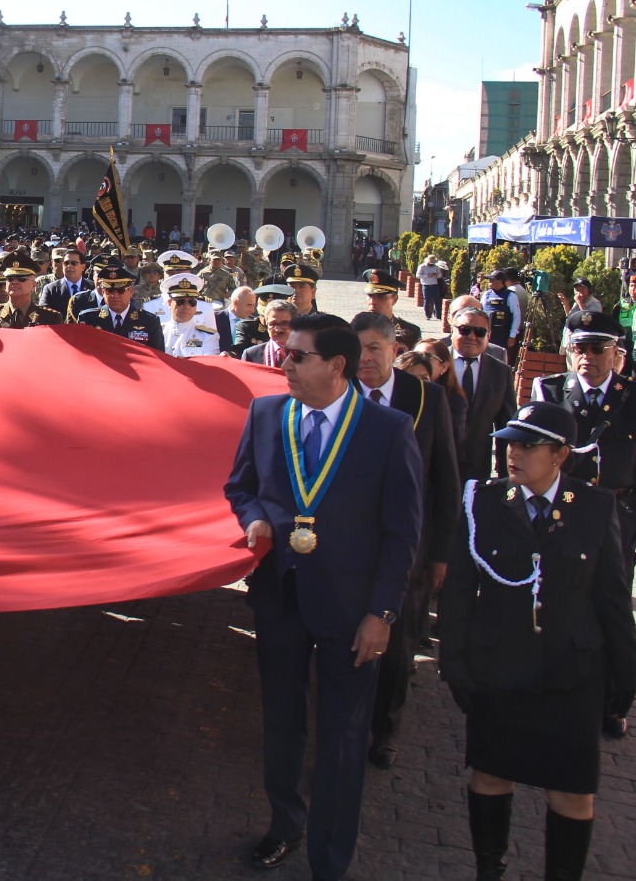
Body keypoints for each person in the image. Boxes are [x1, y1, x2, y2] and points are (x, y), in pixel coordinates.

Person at [225, 312, 423, 881]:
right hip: (282, 600)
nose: (283, 362)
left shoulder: (388, 431)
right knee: (283, 725)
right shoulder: (267, 413)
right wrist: (256, 516)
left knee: (342, 737)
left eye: (297, 355)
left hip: (353, 612)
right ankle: (284, 823)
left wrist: (383, 613)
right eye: (285, 353)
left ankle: (329, 859)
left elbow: (402, 531)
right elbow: (239, 485)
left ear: (337, 366)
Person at [437, 401, 636, 881]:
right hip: (500, 671)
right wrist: (455, 663)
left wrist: (624, 681)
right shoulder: (482, 501)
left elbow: (613, 598)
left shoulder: (594, 506)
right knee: (489, 776)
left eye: (529, 445)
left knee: (571, 793)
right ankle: (491, 869)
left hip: (571, 677)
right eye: (508, 443)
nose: (513, 453)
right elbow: (461, 592)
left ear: (561, 455)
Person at [350, 312, 461, 770]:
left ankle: (385, 729)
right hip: (353, 546)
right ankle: (350, 723)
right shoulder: (340, 395)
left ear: (395, 349)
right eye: (357, 350)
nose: (366, 359)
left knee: (397, 648)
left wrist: (439, 556)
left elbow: (446, 482)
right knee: (350, 640)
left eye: (375, 348)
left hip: (410, 549)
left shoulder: (427, 399)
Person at [532, 310, 636, 738]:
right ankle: (550, 686)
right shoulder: (550, 391)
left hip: (618, 516)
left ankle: (612, 699)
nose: (587, 357)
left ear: (617, 354)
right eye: (579, 348)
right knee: (556, 599)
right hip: (562, 513)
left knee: (610, 609)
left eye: (598, 349)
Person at [453, 307, 518, 483]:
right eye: (464, 330)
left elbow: (507, 428)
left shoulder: (501, 372)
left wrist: (506, 480)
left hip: (476, 471)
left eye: (480, 332)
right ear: (453, 330)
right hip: (433, 469)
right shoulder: (435, 363)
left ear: (488, 336)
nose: (472, 337)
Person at [67, 263, 163, 350]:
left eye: (121, 290)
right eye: (109, 291)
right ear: (103, 292)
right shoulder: (88, 319)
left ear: (131, 291)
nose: (115, 295)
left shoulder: (149, 322)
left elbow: (158, 359)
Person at [0, 255, 64, 328]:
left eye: (21, 278)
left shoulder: (50, 318)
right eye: (10, 279)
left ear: (34, 285)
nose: (15, 282)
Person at [161, 273, 224, 357]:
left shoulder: (207, 336)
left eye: (192, 302)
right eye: (181, 302)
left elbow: (209, 363)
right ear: (169, 303)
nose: (187, 306)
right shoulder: (159, 332)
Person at [360, 269, 421, 349]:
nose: (373, 302)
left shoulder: (411, 332)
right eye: (370, 296)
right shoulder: (356, 329)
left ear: (394, 299)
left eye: (381, 297)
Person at [482, 268, 523, 368]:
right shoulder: (487, 294)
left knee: (499, 361)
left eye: (492, 280)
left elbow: (517, 316)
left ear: (500, 281)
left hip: (502, 335)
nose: (489, 282)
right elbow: (481, 311)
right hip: (486, 333)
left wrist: (512, 335)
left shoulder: (511, 296)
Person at [242, 300, 295, 367]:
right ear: (266, 325)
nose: (278, 330)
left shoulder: (308, 353)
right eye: (273, 324)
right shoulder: (251, 355)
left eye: (284, 323)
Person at [415, 253, 449, 322]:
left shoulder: (436, 267)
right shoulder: (422, 266)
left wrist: (436, 275)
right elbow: (418, 276)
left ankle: (438, 315)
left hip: (434, 284)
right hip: (426, 285)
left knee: (437, 300)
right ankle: (427, 315)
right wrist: (427, 275)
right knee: (427, 300)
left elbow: (440, 275)